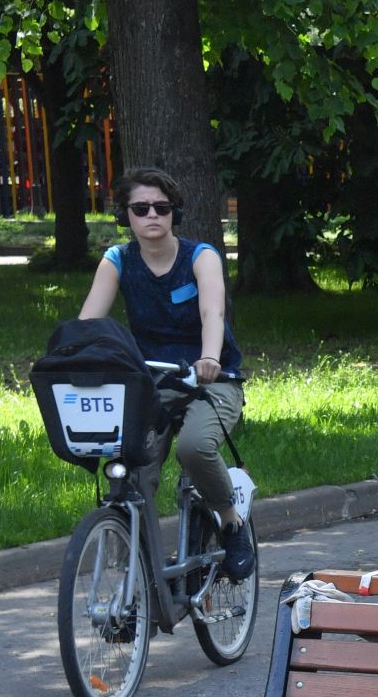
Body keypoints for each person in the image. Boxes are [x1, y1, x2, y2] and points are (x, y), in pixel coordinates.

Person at [78, 167, 254, 581]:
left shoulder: (200, 256)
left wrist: (209, 357)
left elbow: (213, 312)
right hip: (153, 381)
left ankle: (230, 522)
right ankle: (136, 580)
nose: (152, 215)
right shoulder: (118, 260)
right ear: (126, 215)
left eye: (162, 207)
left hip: (212, 378)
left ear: (175, 212)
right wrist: (75, 355)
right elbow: (89, 322)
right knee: (132, 469)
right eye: (140, 208)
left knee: (193, 448)